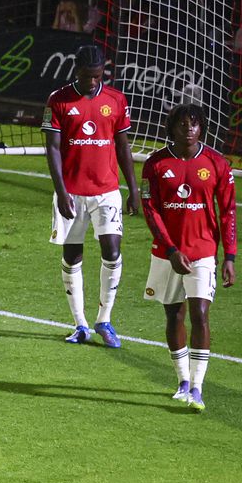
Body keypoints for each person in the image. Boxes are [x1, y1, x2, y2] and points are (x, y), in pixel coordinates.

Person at [42, 43, 141, 348]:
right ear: (77, 71)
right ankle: (80, 324)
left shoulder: (116, 100)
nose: (93, 82)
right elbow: (53, 148)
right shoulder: (58, 101)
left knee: (112, 251)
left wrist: (133, 190)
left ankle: (104, 319)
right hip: (71, 192)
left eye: (97, 77)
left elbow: (123, 147)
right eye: (88, 76)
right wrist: (61, 192)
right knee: (72, 256)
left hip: (106, 191)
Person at [140, 104, 236, 411]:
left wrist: (229, 256)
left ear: (202, 128)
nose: (189, 129)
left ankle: (197, 387)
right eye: (183, 124)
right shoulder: (155, 164)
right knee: (174, 316)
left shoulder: (217, 163)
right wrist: (170, 249)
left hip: (203, 252)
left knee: (201, 315)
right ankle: (182, 381)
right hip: (167, 253)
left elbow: (228, 211)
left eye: (194, 124)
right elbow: (150, 209)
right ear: (172, 128)